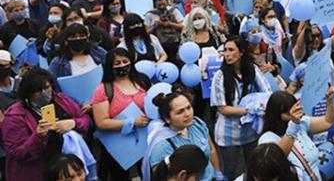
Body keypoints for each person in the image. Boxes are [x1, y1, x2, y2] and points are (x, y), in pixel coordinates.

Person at [3, 67, 92, 181]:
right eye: (38, 91)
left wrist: (74, 123)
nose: (44, 93)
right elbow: (17, 153)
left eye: (46, 87)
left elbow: (85, 120)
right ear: (28, 93)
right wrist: (38, 136)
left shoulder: (62, 100)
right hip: (36, 173)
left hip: (68, 170)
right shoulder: (15, 116)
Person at [210, 36, 270, 180]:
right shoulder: (220, 76)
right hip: (228, 135)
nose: (227, 54)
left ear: (241, 52)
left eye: (231, 50)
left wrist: (262, 104)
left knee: (253, 168)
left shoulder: (252, 70)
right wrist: (250, 110)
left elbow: (267, 92)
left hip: (250, 131)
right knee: (229, 171)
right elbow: (223, 108)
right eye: (225, 50)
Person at [92, 47, 151, 180]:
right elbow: (101, 122)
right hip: (118, 145)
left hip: (145, 140)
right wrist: (131, 122)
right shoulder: (103, 89)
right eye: (117, 63)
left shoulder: (142, 81)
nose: (122, 65)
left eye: (125, 61)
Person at [258, 88, 334, 181]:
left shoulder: (301, 122)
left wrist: (330, 100)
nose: (294, 114)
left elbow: (328, 121)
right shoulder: (267, 138)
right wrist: (294, 125)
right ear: (276, 113)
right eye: (288, 112)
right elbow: (278, 157)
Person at [144, 90, 221, 181]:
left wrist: (217, 173)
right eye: (180, 112)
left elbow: (211, 150)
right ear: (167, 118)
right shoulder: (162, 146)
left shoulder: (197, 124)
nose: (188, 114)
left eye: (189, 107)